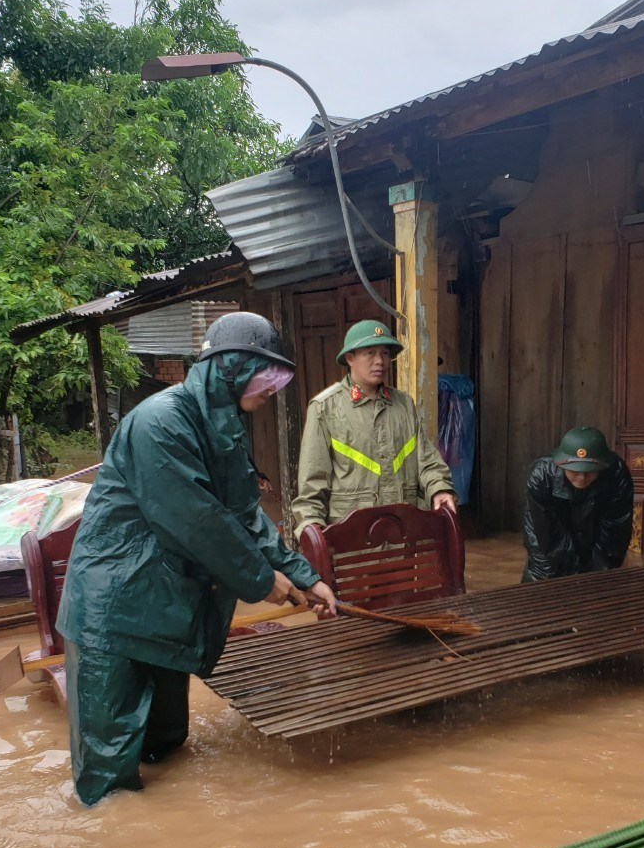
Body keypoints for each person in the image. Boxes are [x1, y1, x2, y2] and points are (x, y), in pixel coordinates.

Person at [57, 312, 338, 806]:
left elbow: (244, 514)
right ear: (229, 368)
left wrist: (304, 575)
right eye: (267, 375)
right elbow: (198, 522)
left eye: (281, 379)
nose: (274, 390)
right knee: (109, 781)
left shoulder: (225, 428)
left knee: (167, 746)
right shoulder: (159, 422)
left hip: (168, 607)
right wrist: (261, 580)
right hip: (114, 610)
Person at [291, 319, 456, 536]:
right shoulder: (325, 408)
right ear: (350, 358)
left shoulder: (404, 403)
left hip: (403, 534)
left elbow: (426, 460)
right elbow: (312, 484)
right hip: (353, 540)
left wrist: (439, 489)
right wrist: (312, 530)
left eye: (385, 353)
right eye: (370, 353)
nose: (379, 361)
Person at [522, 426, 634, 582]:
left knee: (600, 583)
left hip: (594, 537)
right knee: (545, 586)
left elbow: (615, 529)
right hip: (546, 544)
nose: (581, 477)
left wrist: (597, 575)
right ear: (561, 464)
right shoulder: (541, 475)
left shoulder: (616, 473)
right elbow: (547, 534)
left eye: (589, 471)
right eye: (574, 470)